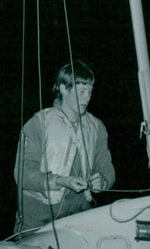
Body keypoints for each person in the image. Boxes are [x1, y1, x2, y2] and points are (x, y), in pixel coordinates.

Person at [14, 60, 115, 233]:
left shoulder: (97, 127)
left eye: (90, 91)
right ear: (63, 88)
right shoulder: (38, 123)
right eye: (82, 91)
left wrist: (103, 181)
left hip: (80, 216)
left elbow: (106, 167)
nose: (87, 97)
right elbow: (22, 175)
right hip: (38, 218)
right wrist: (61, 181)